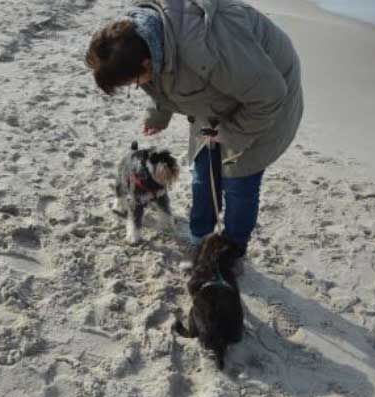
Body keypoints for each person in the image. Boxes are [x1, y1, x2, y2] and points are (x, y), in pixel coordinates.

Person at [85, 0, 304, 265]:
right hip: (215, 98)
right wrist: (160, 113)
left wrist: (231, 133)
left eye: (134, 82)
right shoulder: (143, 37)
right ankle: (201, 238)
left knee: (238, 183)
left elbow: (270, 96)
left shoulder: (208, 48)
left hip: (266, 100)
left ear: (146, 64)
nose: (136, 86)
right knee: (203, 174)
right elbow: (160, 79)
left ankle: (230, 252)